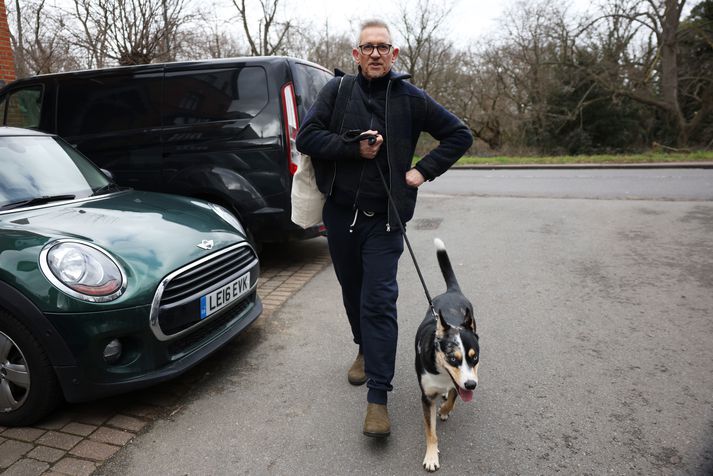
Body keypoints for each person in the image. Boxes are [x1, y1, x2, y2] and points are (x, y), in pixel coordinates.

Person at [295, 19, 473, 438]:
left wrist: (422, 172)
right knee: (352, 293)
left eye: (383, 47)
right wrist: (352, 147)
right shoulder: (336, 92)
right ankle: (363, 346)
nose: (375, 53)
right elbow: (307, 137)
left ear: (394, 55)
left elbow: (459, 134)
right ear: (355, 55)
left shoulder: (411, 98)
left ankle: (378, 397)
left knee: (379, 301)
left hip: (387, 222)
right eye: (367, 47)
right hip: (341, 216)